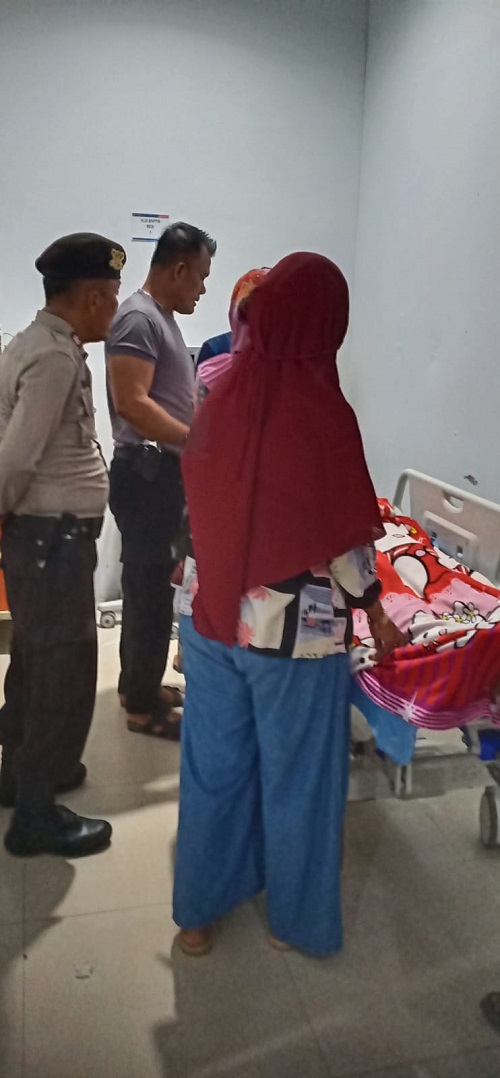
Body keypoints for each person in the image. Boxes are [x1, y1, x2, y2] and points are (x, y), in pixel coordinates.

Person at [174, 252, 406, 957]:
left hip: (209, 615)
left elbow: (201, 507)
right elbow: (342, 538)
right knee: (299, 776)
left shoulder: (219, 395)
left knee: (213, 767)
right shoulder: (321, 411)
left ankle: (198, 916)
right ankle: (293, 924)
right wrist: (376, 610)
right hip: (291, 636)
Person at [0, 232, 126, 857]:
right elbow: (16, 458)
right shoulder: (52, 357)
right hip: (51, 541)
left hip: (45, 540)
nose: (115, 307)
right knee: (60, 669)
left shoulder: (41, 343)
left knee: (34, 658)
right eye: (113, 295)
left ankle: (21, 775)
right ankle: (35, 817)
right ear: (93, 297)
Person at [106, 222, 216, 740]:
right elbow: (133, 404)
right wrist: (199, 446)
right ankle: (141, 708)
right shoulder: (139, 318)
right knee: (149, 592)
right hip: (147, 474)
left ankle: (139, 686)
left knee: (151, 588)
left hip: (160, 473)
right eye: (201, 277)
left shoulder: (160, 318)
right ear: (179, 269)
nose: (203, 289)